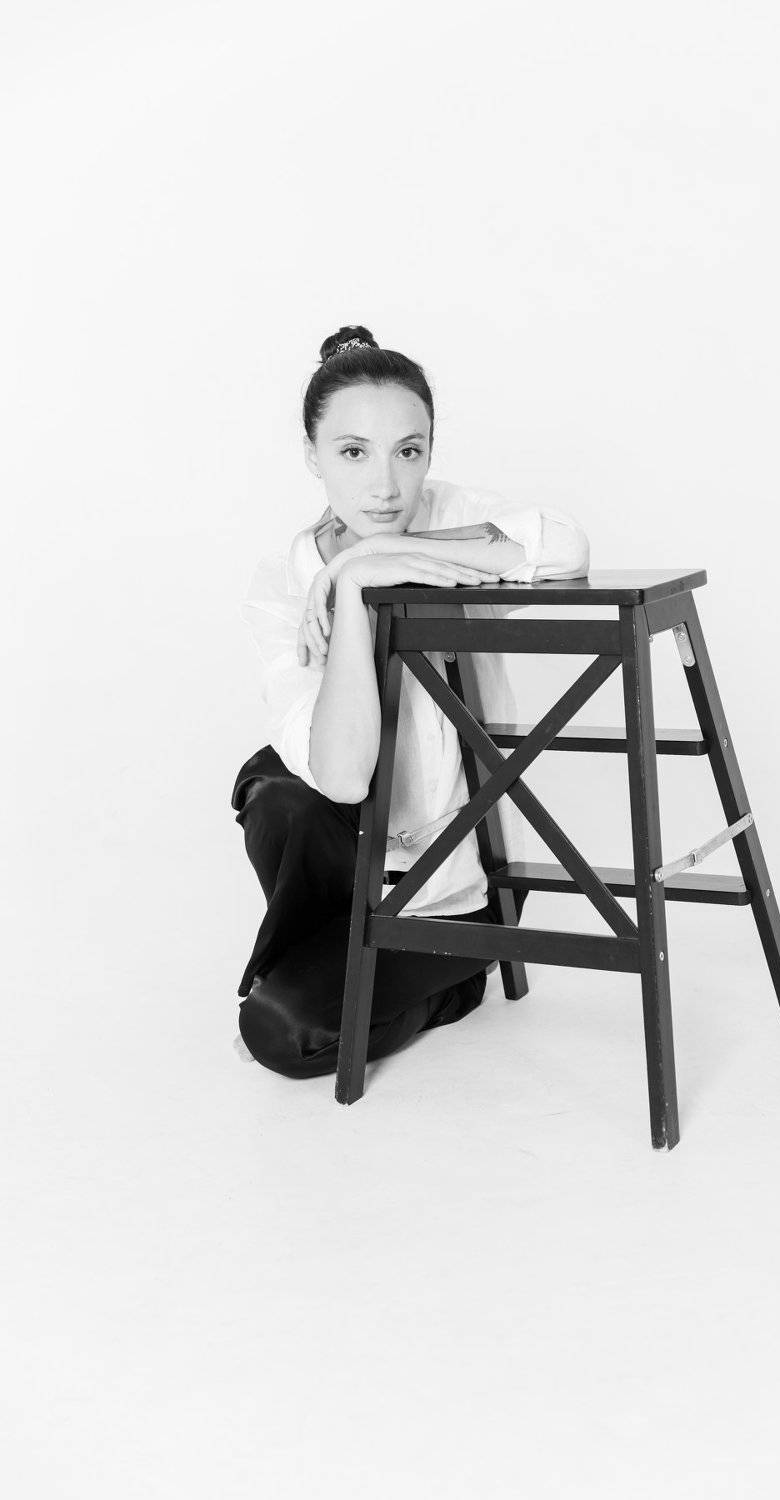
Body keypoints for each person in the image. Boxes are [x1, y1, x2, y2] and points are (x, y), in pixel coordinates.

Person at [232, 325, 590, 1079]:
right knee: (276, 792)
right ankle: (323, 958)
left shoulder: (449, 511)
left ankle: (450, 983)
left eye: (408, 451)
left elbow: (564, 545)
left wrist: (370, 555)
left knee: (284, 1036)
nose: (386, 487)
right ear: (312, 455)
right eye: (353, 452)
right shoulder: (283, 580)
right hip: (348, 860)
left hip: (448, 891)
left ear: (429, 451)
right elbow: (340, 777)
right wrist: (357, 590)